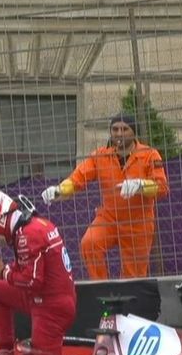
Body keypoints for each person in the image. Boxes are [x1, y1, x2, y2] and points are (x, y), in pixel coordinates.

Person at [41, 113, 169, 280]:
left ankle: (129, 303)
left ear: (134, 132)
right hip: (109, 217)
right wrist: (59, 190)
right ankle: (101, 287)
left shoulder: (150, 155)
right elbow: (78, 178)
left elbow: (162, 187)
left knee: (134, 276)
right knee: (90, 244)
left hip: (139, 223)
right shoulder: (100, 156)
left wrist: (141, 185)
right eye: (115, 129)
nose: (119, 133)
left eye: (125, 129)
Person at [0, 187, 77, 355]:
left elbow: (32, 280)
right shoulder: (31, 227)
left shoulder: (28, 234)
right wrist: (1, 275)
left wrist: (2, 270)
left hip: (51, 308)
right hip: (45, 298)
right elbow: (30, 271)